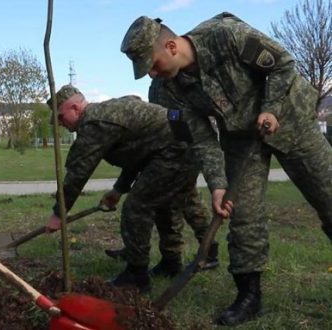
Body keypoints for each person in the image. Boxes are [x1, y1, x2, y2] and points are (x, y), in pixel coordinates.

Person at [121, 13, 332, 326]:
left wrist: (270, 108)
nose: (152, 73)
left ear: (171, 46)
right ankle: (249, 295)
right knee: (244, 215)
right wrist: (218, 184)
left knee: (329, 196)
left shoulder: (225, 35)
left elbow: (283, 63)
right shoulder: (167, 90)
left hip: (291, 121)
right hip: (240, 138)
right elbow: (201, 139)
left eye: (153, 64)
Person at [45, 85, 215, 291]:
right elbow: (139, 155)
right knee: (164, 205)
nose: (61, 124)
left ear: (75, 108)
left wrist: (58, 213)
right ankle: (172, 264)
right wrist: (118, 190)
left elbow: (78, 173)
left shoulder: (94, 123)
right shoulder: (107, 112)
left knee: (136, 208)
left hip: (177, 150)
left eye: (61, 117)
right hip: (179, 145)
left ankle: (136, 275)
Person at [104, 186, 220, 277]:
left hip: (178, 162)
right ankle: (169, 260)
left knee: (188, 201)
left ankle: (209, 251)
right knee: (170, 201)